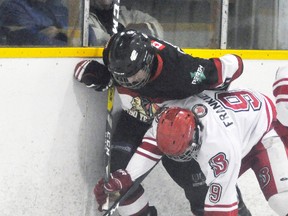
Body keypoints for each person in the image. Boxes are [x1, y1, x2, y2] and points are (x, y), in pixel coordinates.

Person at [74, 29, 250, 215]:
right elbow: (105, 72)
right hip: (137, 122)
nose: (130, 81)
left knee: (204, 194)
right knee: (117, 182)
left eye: (135, 75)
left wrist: (214, 83)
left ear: (148, 61)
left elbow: (235, 65)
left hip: (178, 130)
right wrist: (102, 76)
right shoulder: (115, 54)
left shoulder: (183, 71)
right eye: (122, 78)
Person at [95, 88, 288, 216]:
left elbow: (222, 210)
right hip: (235, 124)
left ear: (194, 137)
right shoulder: (167, 117)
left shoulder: (219, 147)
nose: (178, 158)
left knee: (280, 201)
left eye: (182, 152)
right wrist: (120, 185)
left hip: (265, 131)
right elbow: (143, 158)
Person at [88, 0, 163, 46]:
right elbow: (97, 41)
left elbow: (157, 31)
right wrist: (125, 37)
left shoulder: (127, 14)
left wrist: (132, 31)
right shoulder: (84, 18)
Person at [0, 0, 68, 46]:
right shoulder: (12, 6)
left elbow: (62, 31)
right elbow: (29, 37)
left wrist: (61, 33)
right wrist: (67, 45)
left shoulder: (43, 6)